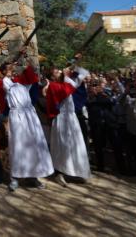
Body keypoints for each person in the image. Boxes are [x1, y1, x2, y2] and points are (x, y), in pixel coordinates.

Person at [0, 57, 53, 191]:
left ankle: (33, 176)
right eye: (9, 69)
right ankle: (15, 177)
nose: (12, 71)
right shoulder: (5, 82)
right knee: (18, 146)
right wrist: (14, 64)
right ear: (4, 71)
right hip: (17, 116)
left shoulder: (21, 82)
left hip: (30, 115)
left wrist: (25, 62)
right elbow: (10, 81)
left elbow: (31, 78)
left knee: (34, 145)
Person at [43, 56, 91, 187]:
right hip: (61, 119)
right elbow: (65, 91)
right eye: (56, 71)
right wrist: (66, 75)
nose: (59, 72)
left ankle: (77, 172)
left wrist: (75, 64)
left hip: (72, 119)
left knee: (76, 146)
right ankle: (59, 173)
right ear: (52, 77)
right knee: (62, 147)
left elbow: (82, 75)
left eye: (59, 70)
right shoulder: (53, 86)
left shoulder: (67, 82)